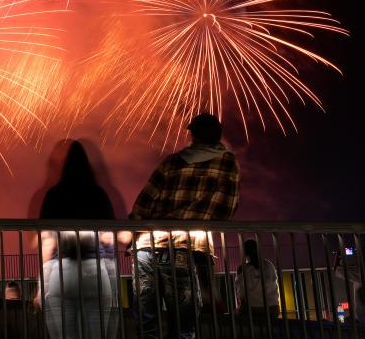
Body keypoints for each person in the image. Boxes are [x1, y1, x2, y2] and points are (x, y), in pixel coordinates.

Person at [129, 113, 240, 339]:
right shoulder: (228, 162)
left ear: (193, 135)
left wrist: (132, 233)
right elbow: (226, 209)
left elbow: (143, 204)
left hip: (145, 246)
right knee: (183, 326)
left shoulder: (172, 162)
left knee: (146, 324)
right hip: (184, 246)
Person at [37, 141, 118, 339]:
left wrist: (41, 286)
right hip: (95, 270)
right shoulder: (99, 195)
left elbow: (47, 242)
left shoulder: (53, 196)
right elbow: (109, 239)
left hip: (61, 272)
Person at [234, 239, 279, 318]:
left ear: (244, 253)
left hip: (252, 309)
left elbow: (241, 293)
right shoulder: (269, 265)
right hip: (273, 308)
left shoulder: (243, 269)